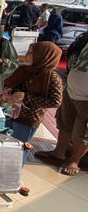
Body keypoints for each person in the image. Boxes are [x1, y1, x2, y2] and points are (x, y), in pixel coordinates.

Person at [3, 42, 63, 175]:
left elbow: (55, 101)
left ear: (43, 56)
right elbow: (10, 83)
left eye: (31, 53)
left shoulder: (51, 77)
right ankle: (1, 171)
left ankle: (13, 176)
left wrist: (27, 98)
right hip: (10, 112)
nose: (27, 55)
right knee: (3, 142)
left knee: (19, 146)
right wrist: (7, 91)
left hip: (28, 118)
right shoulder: (24, 70)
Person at [36, 42, 88, 176]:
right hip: (72, 91)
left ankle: (74, 161)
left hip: (85, 97)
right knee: (65, 122)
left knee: (83, 131)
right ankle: (59, 152)